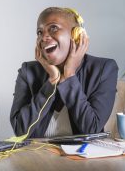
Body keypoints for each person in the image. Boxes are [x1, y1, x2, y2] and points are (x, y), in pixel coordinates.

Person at [10, 7, 118, 138]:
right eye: (39, 32)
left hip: (83, 157)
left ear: (76, 35)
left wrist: (69, 75)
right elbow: (20, 130)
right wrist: (52, 80)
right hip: (38, 156)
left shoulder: (103, 69)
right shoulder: (28, 71)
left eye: (53, 28)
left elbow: (92, 128)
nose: (43, 37)